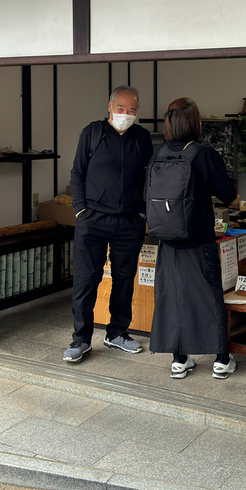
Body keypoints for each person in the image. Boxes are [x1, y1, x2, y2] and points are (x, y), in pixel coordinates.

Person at [149, 97, 238, 380]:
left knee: (173, 296)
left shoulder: (158, 155)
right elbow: (228, 194)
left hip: (166, 239)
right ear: (194, 122)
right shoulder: (203, 154)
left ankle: (179, 359)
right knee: (208, 296)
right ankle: (221, 359)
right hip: (198, 238)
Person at [63, 85, 153, 363]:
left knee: (124, 279)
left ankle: (117, 333)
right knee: (86, 280)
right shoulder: (93, 133)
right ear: (110, 108)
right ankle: (81, 339)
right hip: (93, 220)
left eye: (132, 111)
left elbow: (150, 178)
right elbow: (77, 172)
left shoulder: (142, 138)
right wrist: (80, 211)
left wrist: (143, 214)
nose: (126, 114)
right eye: (121, 109)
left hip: (129, 220)